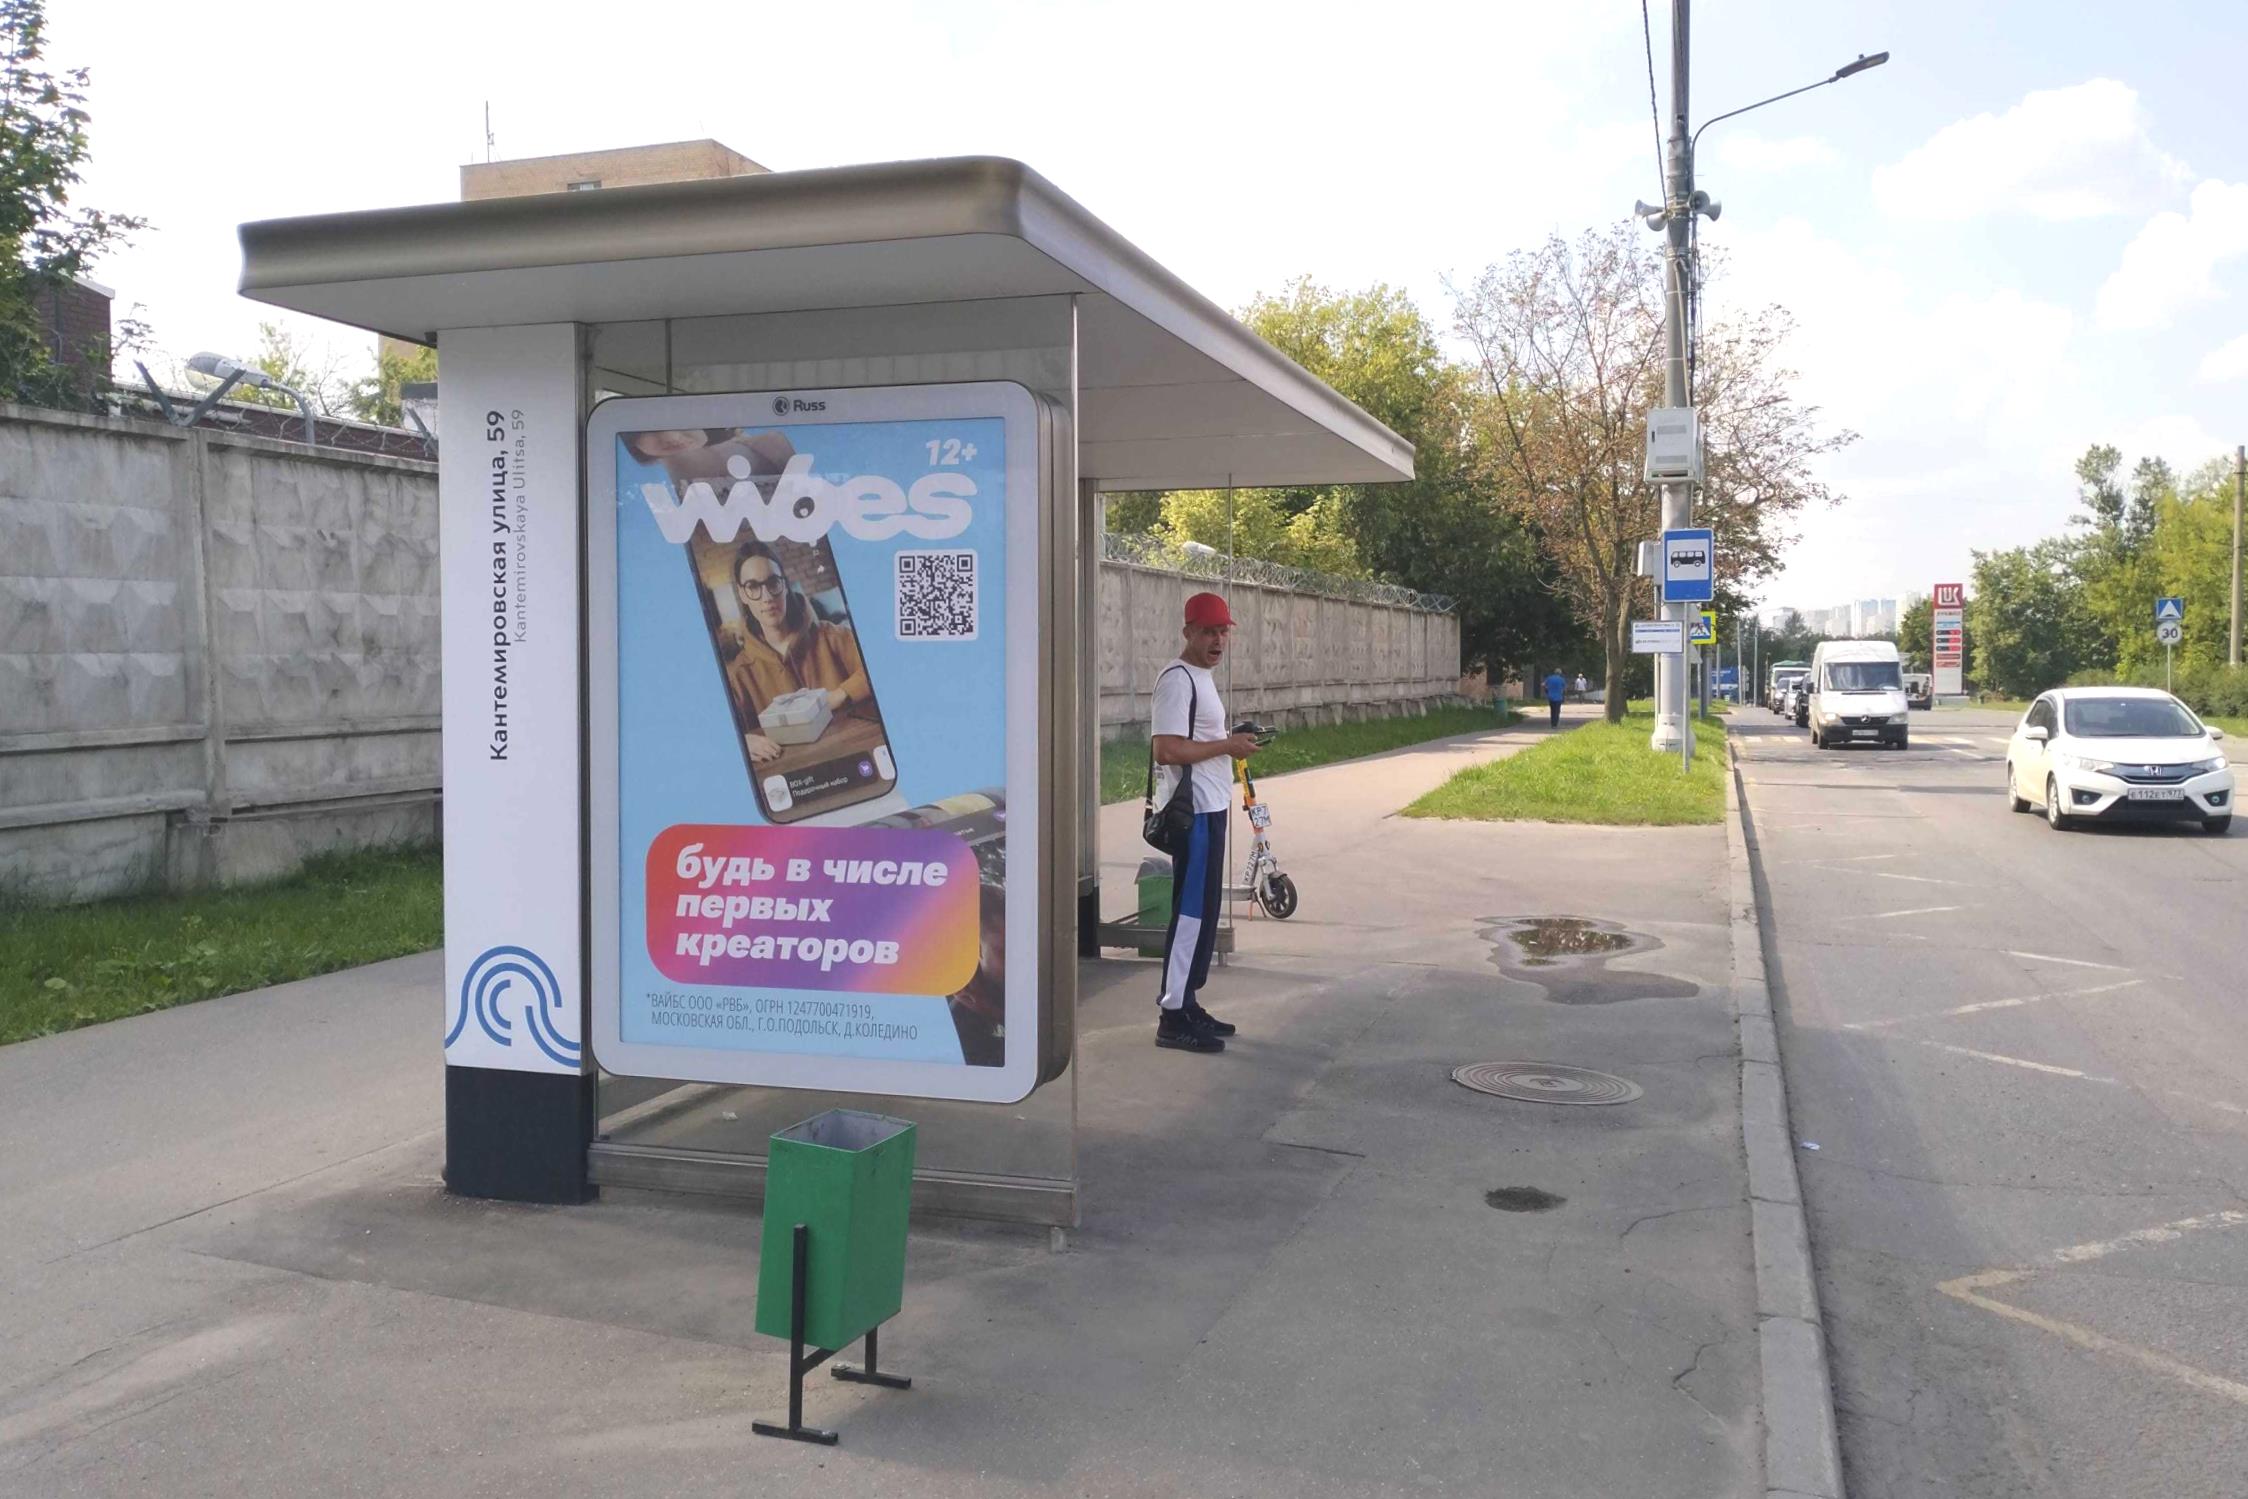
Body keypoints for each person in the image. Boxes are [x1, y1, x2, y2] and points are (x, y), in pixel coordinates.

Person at [1149, 591, 1261, 1054]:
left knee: (1206, 910)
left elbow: (1201, 738)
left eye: (1222, 632)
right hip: (1191, 811)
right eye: (1208, 632)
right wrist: (1227, 746)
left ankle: (1188, 1000)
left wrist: (1233, 740)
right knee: (1191, 912)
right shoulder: (1176, 680)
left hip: (1211, 806)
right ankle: (1172, 1016)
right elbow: (1166, 749)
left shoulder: (1203, 677)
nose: (1217, 641)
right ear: (1188, 633)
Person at [724, 540, 871, 763]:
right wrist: (741, 741)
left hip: (855, 755)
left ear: (784, 585)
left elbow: (880, 666)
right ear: (742, 594)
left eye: (773, 582)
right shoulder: (739, 674)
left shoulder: (833, 636)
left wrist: (839, 695)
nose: (767, 597)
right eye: (753, 587)